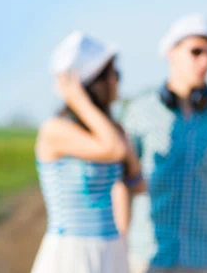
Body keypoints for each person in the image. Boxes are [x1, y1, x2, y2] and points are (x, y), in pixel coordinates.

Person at [122, 13, 207, 273]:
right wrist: (120, 239)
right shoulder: (140, 110)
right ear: (171, 52)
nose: (206, 60)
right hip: (146, 253)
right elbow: (122, 178)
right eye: (196, 51)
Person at [32, 31, 144, 273]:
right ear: (94, 82)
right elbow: (113, 150)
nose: (118, 81)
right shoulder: (56, 130)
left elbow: (137, 183)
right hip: (72, 252)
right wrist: (77, 98)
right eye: (113, 74)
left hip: (111, 249)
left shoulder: (112, 132)